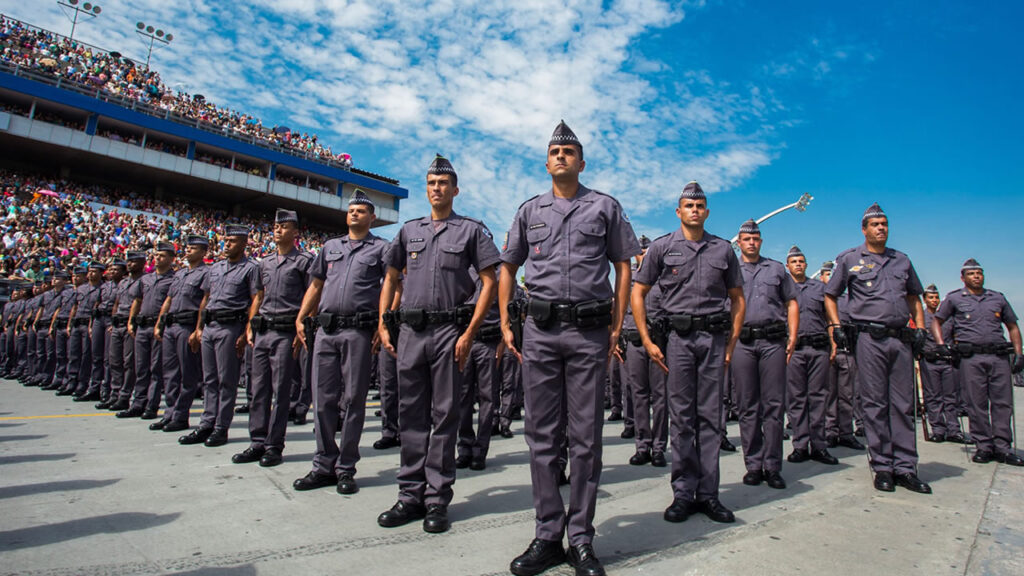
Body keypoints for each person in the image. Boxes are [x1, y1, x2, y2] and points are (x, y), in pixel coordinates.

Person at [500, 122, 640, 576]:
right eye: (555, 151)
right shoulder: (529, 210)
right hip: (540, 332)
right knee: (541, 437)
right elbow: (509, 266)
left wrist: (618, 324)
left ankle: (581, 538)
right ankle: (547, 536)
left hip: (588, 333)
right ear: (546, 163)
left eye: (570, 151)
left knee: (585, 440)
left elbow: (624, 266)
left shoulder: (604, 207)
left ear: (582, 162)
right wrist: (504, 319)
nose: (562, 156)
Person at [376, 154, 500, 534]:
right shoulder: (408, 231)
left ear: (455, 190)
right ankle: (409, 495)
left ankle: (436, 499)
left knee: (445, 416)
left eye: (443, 183)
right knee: (411, 416)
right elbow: (391, 276)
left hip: (450, 331)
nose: (436, 188)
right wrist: (384, 324)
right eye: (431, 183)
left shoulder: (470, 232)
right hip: (411, 332)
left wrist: (470, 332)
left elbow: (490, 282)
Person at [632, 181, 744, 525]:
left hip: (712, 341)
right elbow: (638, 292)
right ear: (678, 211)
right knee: (681, 418)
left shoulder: (723, 250)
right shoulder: (663, 248)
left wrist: (731, 343)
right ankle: (683, 493)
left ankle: (708, 495)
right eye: (688, 206)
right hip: (677, 342)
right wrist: (647, 338)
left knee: (710, 418)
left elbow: (738, 298)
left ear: (707, 212)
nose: (694, 211)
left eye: (700, 206)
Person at [825, 203, 931, 494]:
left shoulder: (902, 261)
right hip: (869, 339)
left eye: (884, 224)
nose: (881, 228)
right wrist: (836, 327)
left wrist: (920, 327)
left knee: (904, 404)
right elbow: (830, 295)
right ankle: (883, 466)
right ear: (864, 229)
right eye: (875, 225)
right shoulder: (849, 260)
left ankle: (906, 468)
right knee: (875, 404)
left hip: (900, 339)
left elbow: (913, 298)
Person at [292, 192, 388, 493]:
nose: (354, 214)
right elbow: (316, 284)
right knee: (322, 400)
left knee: (353, 401)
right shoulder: (330, 247)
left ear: (372, 217)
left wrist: (384, 321)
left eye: (361, 211)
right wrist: (301, 315)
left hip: (358, 332)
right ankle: (322, 466)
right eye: (351, 210)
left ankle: (346, 468)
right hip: (325, 332)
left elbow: (393, 285)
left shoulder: (382, 249)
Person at [232, 209, 313, 467]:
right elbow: (258, 296)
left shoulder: (304, 262)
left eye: (285, 226)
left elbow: (312, 298)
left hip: (286, 332)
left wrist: (301, 331)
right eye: (276, 226)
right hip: (262, 331)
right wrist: (249, 326)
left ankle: (274, 445)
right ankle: (257, 441)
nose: (278, 230)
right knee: (257, 391)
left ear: (296, 232)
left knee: (281, 392)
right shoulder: (263, 263)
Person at [931, 259, 1023, 466]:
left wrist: (1019, 353)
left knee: (1002, 403)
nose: (976, 276)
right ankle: (984, 446)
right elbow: (937, 321)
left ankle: (1003, 447)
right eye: (971, 274)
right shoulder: (955, 299)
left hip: (998, 356)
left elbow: (1013, 326)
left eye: (979, 273)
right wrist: (940, 344)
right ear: (963, 278)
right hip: (971, 358)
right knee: (976, 403)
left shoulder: (997, 298)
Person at [179, 224, 260, 447]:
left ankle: (221, 427)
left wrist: (246, 332)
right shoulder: (215, 268)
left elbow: (255, 300)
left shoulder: (251, 268)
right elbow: (205, 299)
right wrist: (199, 328)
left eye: (232, 241)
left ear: (244, 243)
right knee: (209, 379)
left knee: (226, 381)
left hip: (231, 326)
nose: (227, 244)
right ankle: (206, 424)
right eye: (226, 240)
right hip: (210, 326)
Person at [731, 220, 798, 489]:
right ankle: (753, 465)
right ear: (739, 242)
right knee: (748, 407)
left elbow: (791, 301)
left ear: (761, 241)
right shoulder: (730, 269)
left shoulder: (776, 269)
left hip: (772, 342)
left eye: (756, 239)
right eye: (746, 239)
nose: (751, 243)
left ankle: (772, 466)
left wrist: (793, 335)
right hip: (742, 343)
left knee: (773, 406)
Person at [784, 246, 839, 466]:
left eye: (801, 261)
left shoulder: (820, 288)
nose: (798, 264)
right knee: (796, 399)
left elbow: (829, 318)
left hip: (818, 348)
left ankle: (819, 445)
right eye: (794, 261)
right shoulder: (782, 288)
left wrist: (834, 342)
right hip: (794, 351)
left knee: (818, 398)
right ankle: (800, 445)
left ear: (806, 265)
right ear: (787, 266)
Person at [152, 235, 209, 432]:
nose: (188, 250)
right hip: (171, 325)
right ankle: (169, 413)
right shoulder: (179, 274)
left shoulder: (205, 273)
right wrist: (160, 322)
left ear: (203, 253)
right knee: (169, 373)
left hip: (187, 326)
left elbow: (205, 302)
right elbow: (168, 300)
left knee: (187, 374)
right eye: (187, 247)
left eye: (193, 248)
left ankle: (181, 415)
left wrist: (198, 329)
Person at [623, 239, 669, 467]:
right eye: (639, 252)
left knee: (660, 397)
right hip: (634, 343)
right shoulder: (627, 280)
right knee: (638, 395)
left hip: (659, 344)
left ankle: (659, 447)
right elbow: (620, 310)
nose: (642, 254)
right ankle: (642, 446)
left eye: (645, 251)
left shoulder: (664, 278)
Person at [120, 244, 175, 420]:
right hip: (142, 326)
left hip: (158, 327)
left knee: (155, 369)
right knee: (140, 367)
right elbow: (137, 301)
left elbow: (169, 304)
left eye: (162, 256)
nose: (157, 258)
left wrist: (160, 323)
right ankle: (138, 403)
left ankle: (152, 405)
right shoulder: (145, 279)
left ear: (171, 259)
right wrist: (131, 321)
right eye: (156, 255)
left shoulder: (174, 279)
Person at [456, 266, 503, 470]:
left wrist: (501, 344)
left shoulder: (500, 274)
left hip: (489, 342)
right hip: (466, 341)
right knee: (462, 396)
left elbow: (506, 309)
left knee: (488, 398)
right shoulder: (463, 271)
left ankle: (480, 450)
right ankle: (464, 447)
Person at [918, 284, 967, 444]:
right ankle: (938, 429)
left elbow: (957, 336)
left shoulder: (948, 317)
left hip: (948, 361)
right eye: (931, 297)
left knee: (951, 397)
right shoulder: (921, 317)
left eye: (936, 297)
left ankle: (954, 430)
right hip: (930, 360)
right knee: (933, 397)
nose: (934, 300)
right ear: (925, 299)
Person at [107, 252, 146, 411]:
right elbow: (117, 303)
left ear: (142, 263)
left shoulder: (144, 281)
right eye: (128, 261)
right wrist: (112, 320)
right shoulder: (123, 283)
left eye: (134, 261)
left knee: (129, 362)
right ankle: (115, 394)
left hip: (132, 324)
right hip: (118, 324)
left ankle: (125, 395)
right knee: (114, 360)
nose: (129, 264)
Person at [69, 263, 105, 400]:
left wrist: (91, 325)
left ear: (101, 273)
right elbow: (75, 307)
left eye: (94, 271)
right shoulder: (81, 289)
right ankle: (72, 381)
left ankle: (83, 384)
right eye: (89, 271)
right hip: (77, 323)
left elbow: (96, 309)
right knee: (73, 354)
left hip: (89, 324)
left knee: (87, 356)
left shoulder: (102, 288)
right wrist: (69, 324)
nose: (91, 274)